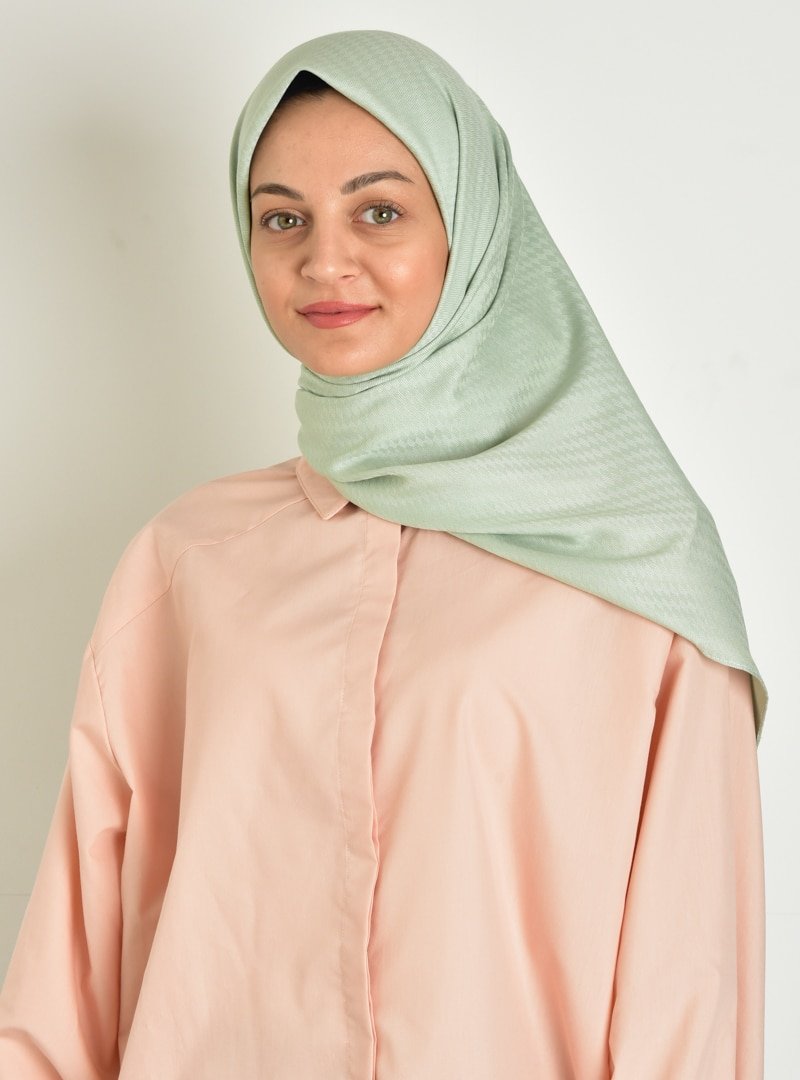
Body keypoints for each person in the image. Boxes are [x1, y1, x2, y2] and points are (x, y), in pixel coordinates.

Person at [0, 29, 766, 1080]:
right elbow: (69, 976)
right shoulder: (186, 565)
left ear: (473, 226)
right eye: (283, 218)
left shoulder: (637, 570)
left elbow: (691, 991)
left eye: (379, 211)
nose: (324, 261)